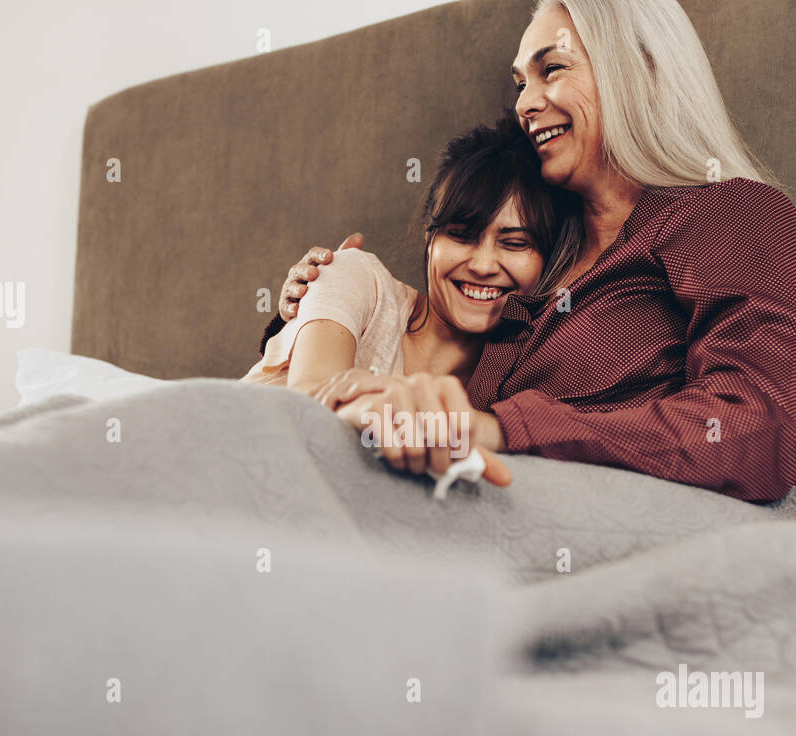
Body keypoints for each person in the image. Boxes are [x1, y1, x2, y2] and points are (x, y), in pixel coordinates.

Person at [276, 0, 796, 504]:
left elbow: (763, 425)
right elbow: (422, 328)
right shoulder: (545, 260)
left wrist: (500, 429)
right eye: (520, 83)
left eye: (551, 69)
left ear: (642, 70)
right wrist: (321, 297)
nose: (524, 104)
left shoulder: (732, 213)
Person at [243, 113, 579, 484]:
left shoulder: (507, 393)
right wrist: (368, 407)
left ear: (547, 261)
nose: (483, 265)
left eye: (515, 243)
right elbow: (307, 402)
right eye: (461, 235)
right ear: (429, 239)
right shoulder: (357, 276)